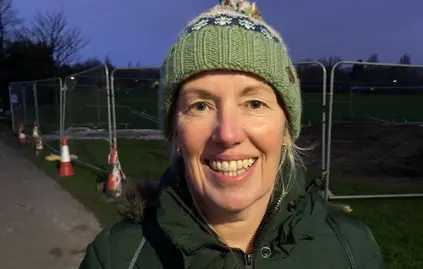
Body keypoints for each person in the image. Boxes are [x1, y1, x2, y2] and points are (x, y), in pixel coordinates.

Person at [79, 1, 385, 268]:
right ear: (175, 132)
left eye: (254, 103)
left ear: (285, 128)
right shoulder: (116, 259)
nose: (227, 134)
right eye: (200, 105)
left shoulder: (352, 252)